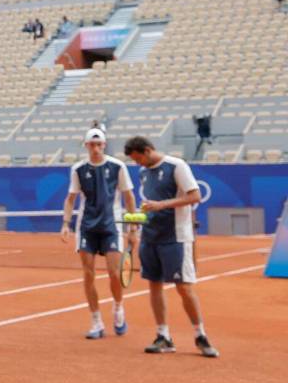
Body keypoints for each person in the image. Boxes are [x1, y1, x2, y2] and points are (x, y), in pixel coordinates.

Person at [123, 136, 220, 358]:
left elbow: (195, 196)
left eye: (138, 159)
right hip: (150, 237)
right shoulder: (143, 172)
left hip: (175, 237)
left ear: (147, 150)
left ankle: (200, 335)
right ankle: (163, 336)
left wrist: (162, 205)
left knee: (184, 287)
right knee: (154, 285)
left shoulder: (177, 166)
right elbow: (149, 205)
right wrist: (134, 224)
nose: (137, 164)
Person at [61, 128, 138, 339]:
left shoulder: (117, 166)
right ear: (86, 146)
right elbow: (70, 199)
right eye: (91, 145)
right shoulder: (78, 169)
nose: (95, 148)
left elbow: (129, 198)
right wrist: (65, 223)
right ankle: (96, 321)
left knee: (115, 273)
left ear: (104, 145)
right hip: (86, 227)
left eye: (99, 144)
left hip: (111, 227)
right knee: (88, 274)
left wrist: (134, 226)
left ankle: (118, 308)